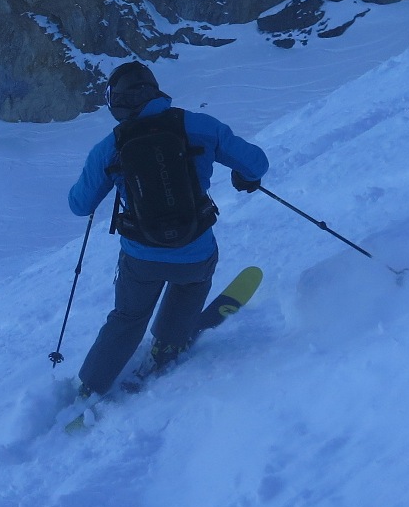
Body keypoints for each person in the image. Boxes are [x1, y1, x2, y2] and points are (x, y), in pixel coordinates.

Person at [67, 61, 269, 398]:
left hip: (140, 257)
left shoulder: (110, 147)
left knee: (128, 316)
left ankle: (91, 386)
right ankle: (168, 344)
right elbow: (257, 163)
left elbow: (79, 204)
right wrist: (245, 176)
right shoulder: (200, 126)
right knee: (191, 284)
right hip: (195, 249)